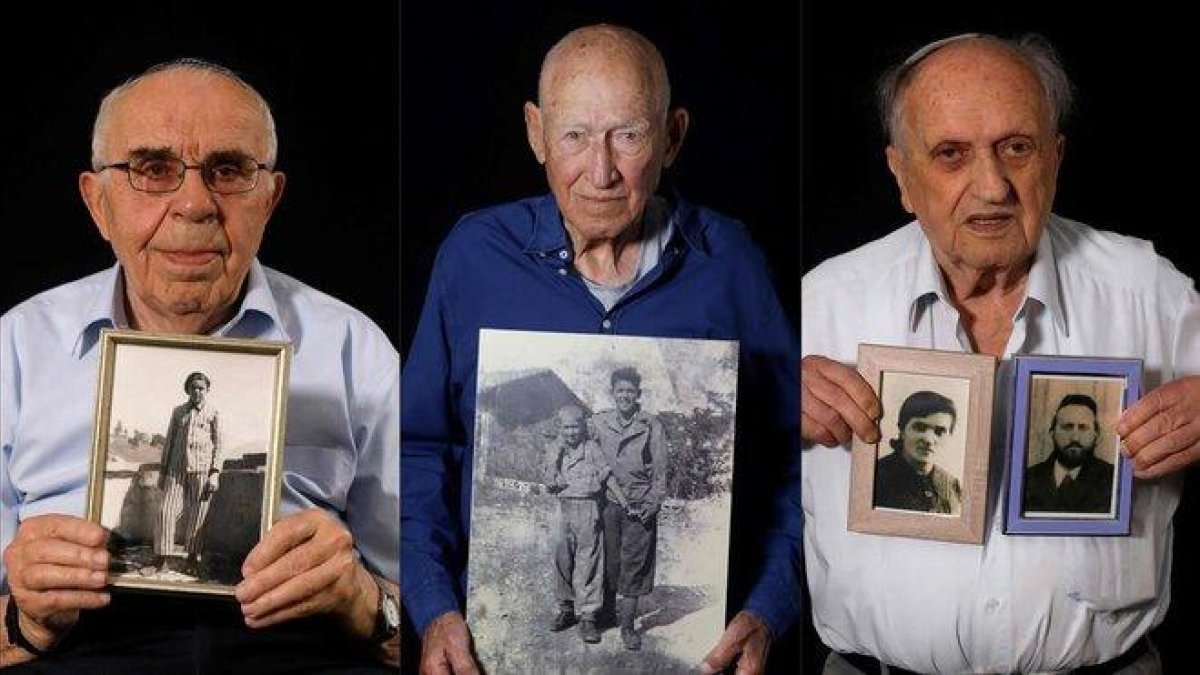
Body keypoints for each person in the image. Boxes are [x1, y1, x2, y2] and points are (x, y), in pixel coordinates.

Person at [403, 23, 800, 675]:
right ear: (536, 133)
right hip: (492, 657)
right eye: (575, 136)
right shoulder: (474, 257)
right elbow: (418, 448)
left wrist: (768, 607)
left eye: (629, 135)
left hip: (695, 656)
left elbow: (792, 459)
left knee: (629, 568)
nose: (601, 171)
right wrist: (432, 607)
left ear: (672, 136)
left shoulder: (731, 263)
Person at [800, 32, 1199, 673]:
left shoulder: (1154, 294)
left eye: (1016, 148)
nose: (991, 187)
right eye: (951, 154)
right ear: (901, 175)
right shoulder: (818, 305)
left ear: (1055, 158)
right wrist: (766, 403)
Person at [0, 59, 400, 671]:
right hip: (77, 652)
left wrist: (363, 601)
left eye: (229, 170)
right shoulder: (17, 347)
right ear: (97, 202)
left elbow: (433, 626)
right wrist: (23, 622)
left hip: (296, 650)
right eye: (152, 169)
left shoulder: (354, 349)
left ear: (270, 198)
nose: (194, 204)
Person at [590, 366, 668, 651]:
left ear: (638, 394)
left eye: (630, 391)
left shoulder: (651, 425)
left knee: (634, 565)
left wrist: (652, 503)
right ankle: (607, 613)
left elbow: (660, 470)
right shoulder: (598, 422)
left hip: (639, 504)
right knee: (609, 560)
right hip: (609, 503)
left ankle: (627, 627)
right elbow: (575, 442)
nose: (625, 395)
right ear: (612, 393)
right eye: (620, 390)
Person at [543, 405, 621, 644]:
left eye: (575, 427)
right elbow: (549, 482)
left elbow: (606, 476)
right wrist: (554, 460)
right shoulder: (554, 450)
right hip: (562, 508)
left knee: (589, 561)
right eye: (566, 427)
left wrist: (624, 502)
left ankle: (588, 616)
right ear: (559, 428)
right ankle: (566, 608)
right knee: (562, 559)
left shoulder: (592, 449)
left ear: (583, 427)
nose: (571, 432)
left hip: (587, 508)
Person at [156, 371, 223, 576]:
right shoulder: (178, 412)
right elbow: (169, 442)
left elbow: (219, 445)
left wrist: (215, 473)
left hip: (202, 469)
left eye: (201, 388)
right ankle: (162, 559)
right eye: (193, 387)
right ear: (188, 389)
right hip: (176, 469)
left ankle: (192, 560)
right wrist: (163, 471)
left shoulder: (213, 412)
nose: (197, 391)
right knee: (166, 511)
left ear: (207, 390)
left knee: (198, 515)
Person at [1023, 393, 1115, 515]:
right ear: (1052, 432)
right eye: (1067, 427)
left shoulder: (1113, 479)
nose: (1075, 438)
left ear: (1096, 435)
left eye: (1083, 428)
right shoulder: (1027, 478)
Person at [873, 391, 962, 514]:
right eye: (920, 428)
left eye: (939, 431)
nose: (929, 439)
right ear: (902, 430)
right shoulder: (877, 476)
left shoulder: (952, 485)